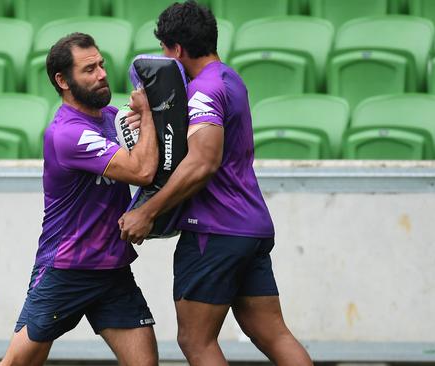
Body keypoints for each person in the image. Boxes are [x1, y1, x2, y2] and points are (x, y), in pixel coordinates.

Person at [118, 2, 314, 365]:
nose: (163, 55)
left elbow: (203, 161)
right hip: (249, 227)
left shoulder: (204, 90)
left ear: (176, 49)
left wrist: (147, 211)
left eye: (164, 49)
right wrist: (148, 116)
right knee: (270, 331)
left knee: (195, 339)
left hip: (215, 230)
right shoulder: (228, 78)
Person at [0, 32, 159, 366]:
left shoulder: (112, 116)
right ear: (63, 80)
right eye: (89, 69)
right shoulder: (68, 133)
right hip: (67, 269)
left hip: (113, 269)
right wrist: (152, 114)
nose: (101, 74)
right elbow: (142, 171)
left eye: (101, 64)